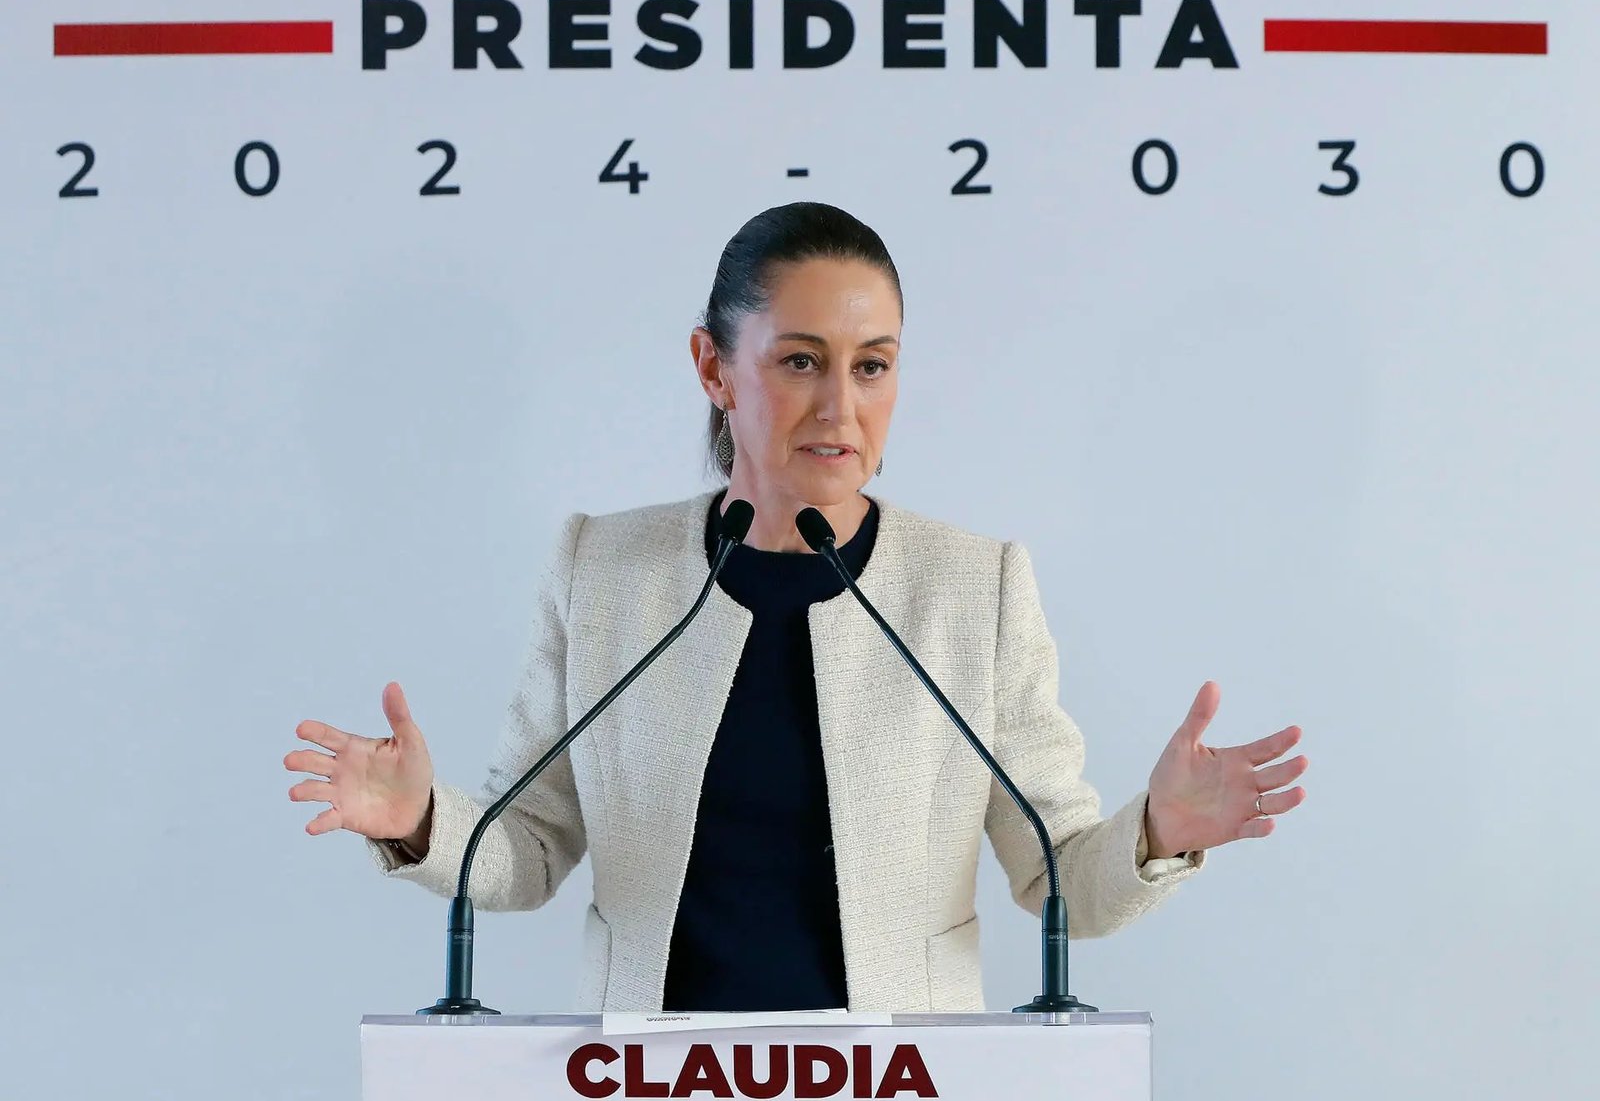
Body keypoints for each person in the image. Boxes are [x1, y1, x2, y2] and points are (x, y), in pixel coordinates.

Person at [283, 202, 1309, 1012]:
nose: (840, 407)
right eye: (801, 361)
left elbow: (1058, 876)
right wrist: (420, 820)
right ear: (714, 367)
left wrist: (1158, 832)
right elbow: (528, 848)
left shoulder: (974, 587)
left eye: (872, 366)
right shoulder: (604, 571)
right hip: (653, 1077)